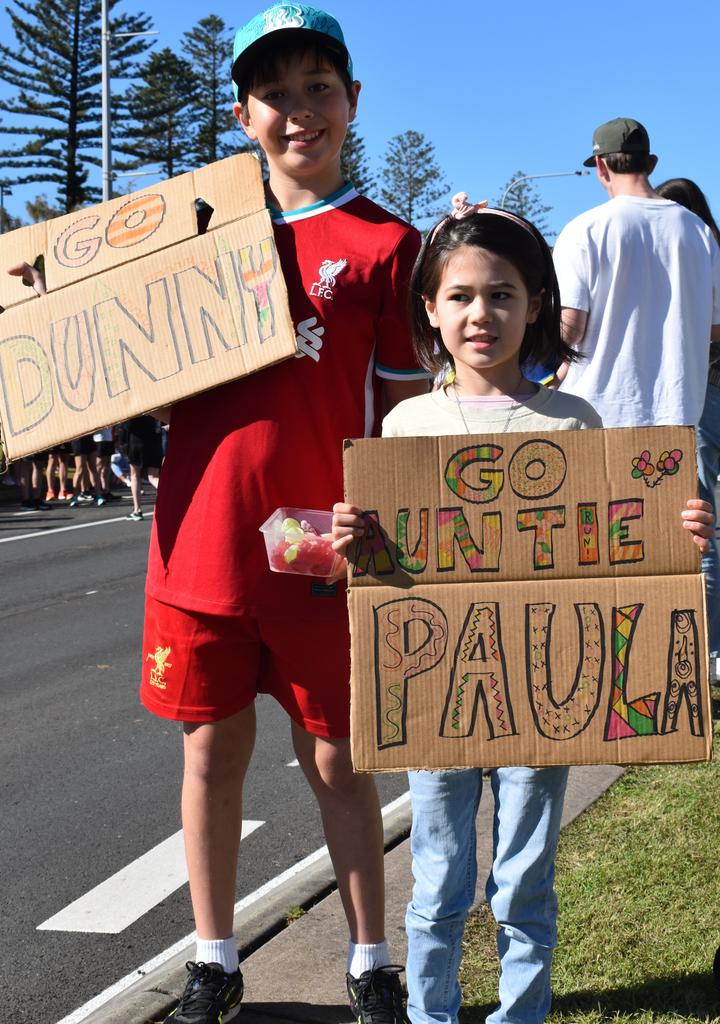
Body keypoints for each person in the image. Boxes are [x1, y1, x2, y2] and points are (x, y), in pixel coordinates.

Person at [0, 6, 428, 1022]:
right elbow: (74, 333)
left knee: (341, 765)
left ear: (354, 102)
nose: (299, 110)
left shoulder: (391, 246)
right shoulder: (188, 238)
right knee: (208, 756)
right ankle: (214, 960)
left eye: (319, 86)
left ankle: (371, 960)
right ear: (240, 112)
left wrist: (383, 517)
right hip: (202, 555)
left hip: (326, 561)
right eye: (276, 92)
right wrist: (16, 319)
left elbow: (404, 415)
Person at [331, 195, 715, 1024]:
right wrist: (351, 537)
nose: (482, 314)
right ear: (429, 311)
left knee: (525, 872)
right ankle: (432, 1014)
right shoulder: (404, 427)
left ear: (536, 304)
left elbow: (621, 541)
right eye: (462, 296)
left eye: (502, 294)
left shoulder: (573, 421)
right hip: (435, 690)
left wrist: (678, 527)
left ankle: (520, 1014)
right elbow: (382, 563)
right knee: (437, 875)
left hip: (548, 685)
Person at [552, 117, 720, 428]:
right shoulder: (699, 232)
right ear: (652, 163)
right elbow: (715, 327)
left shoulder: (583, 230)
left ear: (601, 167)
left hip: (597, 412)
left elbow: (570, 330)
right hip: (677, 412)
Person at [653, 178, 720, 672]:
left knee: (699, 528)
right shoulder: (711, 250)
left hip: (699, 396)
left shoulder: (685, 257)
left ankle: (706, 651)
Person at [125, 415, 161, 522]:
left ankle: (137, 510)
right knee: (153, 477)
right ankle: (170, 493)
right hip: (154, 438)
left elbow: (126, 423)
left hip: (136, 440)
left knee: (135, 475)